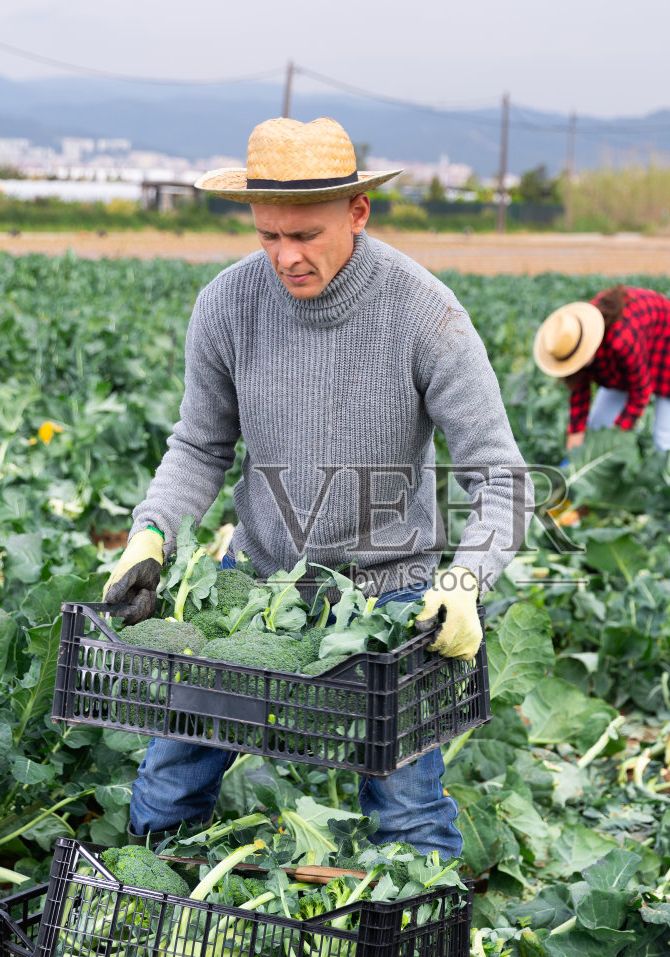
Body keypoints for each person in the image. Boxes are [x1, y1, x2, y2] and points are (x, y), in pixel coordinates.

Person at [99, 116, 529, 858]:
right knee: (168, 786)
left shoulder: (424, 312)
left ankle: (422, 944)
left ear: (357, 213)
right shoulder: (227, 306)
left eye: (305, 235)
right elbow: (200, 446)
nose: (285, 257)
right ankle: (147, 920)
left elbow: (502, 476)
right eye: (269, 236)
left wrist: (465, 579)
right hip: (258, 585)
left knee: (407, 813)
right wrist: (151, 535)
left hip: (391, 594)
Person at [533, 287, 670, 471]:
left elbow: (640, 393)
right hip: (634, 347)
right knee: (597, 428)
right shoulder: (570, 337)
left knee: (667, 441)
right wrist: (574, 456)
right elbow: (579, 396)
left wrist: (614, 441)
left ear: (589, 345)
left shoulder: (620, 339)